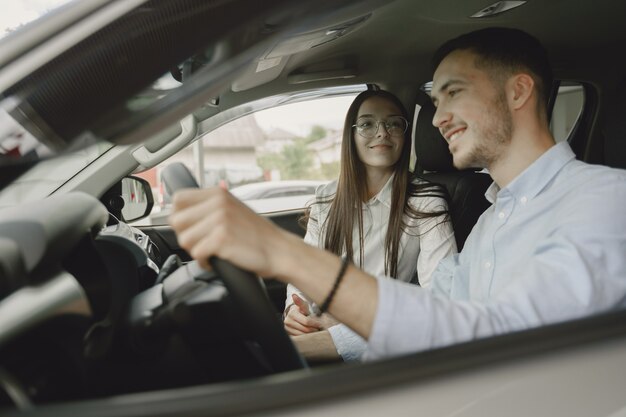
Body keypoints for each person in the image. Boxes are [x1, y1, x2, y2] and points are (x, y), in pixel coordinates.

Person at [169, 27, 626, 361]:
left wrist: (283, 252)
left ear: (518, 91)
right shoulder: (490, 222)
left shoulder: (605, 199)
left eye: (453, 93)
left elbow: (503, 338)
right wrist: (289, 347)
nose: (437, 116)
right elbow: (432, 318)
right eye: (435, 100)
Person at [283, 90, 457, 362]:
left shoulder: (426, 200)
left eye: (394, 124)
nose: (382, 133)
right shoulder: (326, 197)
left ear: (404, 134)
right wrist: (294, 311)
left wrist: (343, 326)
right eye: (367, 124)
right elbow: (304, 271)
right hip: (316, 324)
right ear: (350, 136)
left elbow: (438, 297)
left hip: (378, 337)